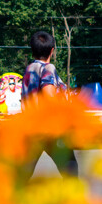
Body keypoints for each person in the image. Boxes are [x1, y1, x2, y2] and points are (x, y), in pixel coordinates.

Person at [23, 30, 79, 177]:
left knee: (23, 175)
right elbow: (49, 96)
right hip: (48, 130)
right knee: (71, 170)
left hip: (30, 128)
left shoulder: (29, 69)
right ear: (52, 50)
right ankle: (73, 199)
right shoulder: (48, 68)